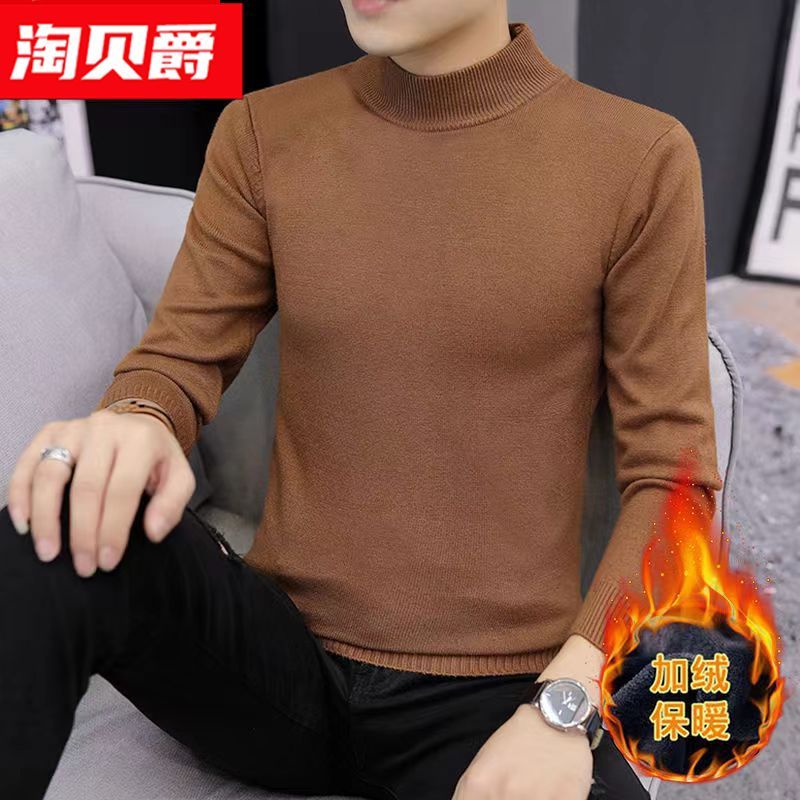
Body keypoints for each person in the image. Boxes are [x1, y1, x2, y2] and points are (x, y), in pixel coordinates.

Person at [0, 1, 723, 798]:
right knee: (52, 515)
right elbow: (176, 361)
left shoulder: (637, 157)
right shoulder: (264, 133)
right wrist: (134, 420)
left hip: (491, 702)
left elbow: (677, 478)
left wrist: (567, 708)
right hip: (277, 668)